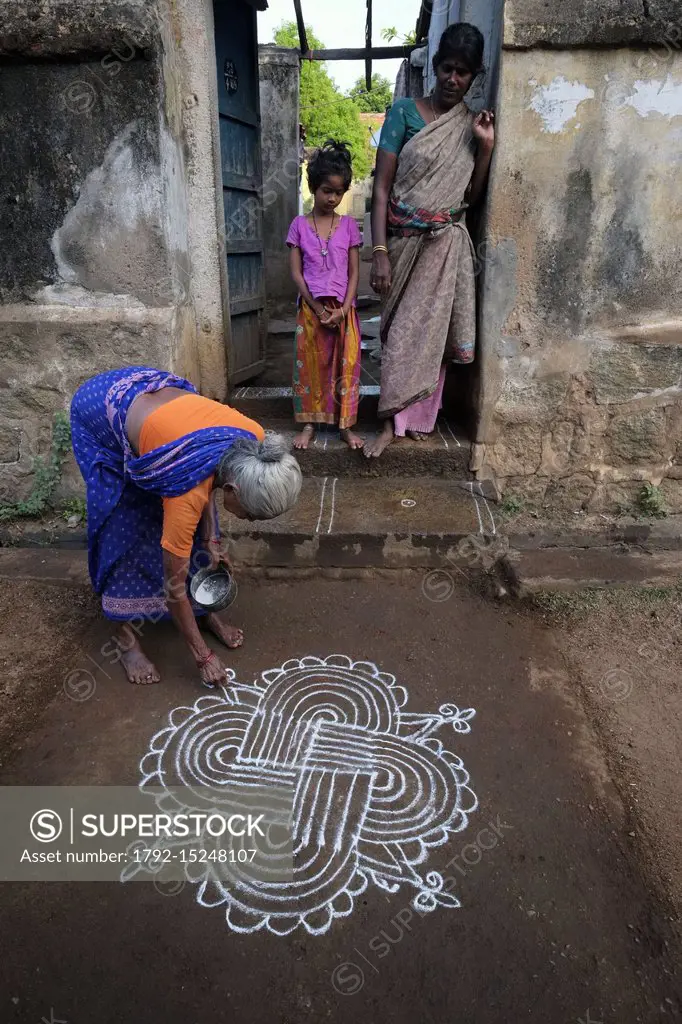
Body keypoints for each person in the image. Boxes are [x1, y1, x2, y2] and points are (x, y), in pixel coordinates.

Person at [70, 367, 302, 687]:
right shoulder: (189, 487)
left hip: (160, 416)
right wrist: (202, 656)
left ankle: (203, 610)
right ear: (232, 489)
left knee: (200, 530)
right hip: (101, 414)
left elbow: (205, 467)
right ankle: (125, 639)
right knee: (122, 519)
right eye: (250, 515)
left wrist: (211, 538)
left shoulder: (256, 442)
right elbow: (173, 585)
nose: (247, 520)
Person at [365, 23, 496, 458]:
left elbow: (470, 199)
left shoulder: (470, 125)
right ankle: (387, 421)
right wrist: (379, 252)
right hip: (401, 244)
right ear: (434, 66)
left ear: (474, 76)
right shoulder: (402, 113)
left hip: (445, 247)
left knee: (432, 338)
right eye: (446, 68)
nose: (453, 80)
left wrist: (486, 148)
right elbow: (381, 190)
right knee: (399, 334)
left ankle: (418, 418)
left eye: (463, 73)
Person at [287, 140, 364, 451]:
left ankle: (346, 426)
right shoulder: (298, 226)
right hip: (310, 309)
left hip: (344, 311)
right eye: (326, 191)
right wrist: (316, 307)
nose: (332, 198)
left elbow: (355, 273)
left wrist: (343, 310)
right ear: (312, 187)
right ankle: (309, 423)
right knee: (310, 367)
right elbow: (296, 272)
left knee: (345, 367)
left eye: (339, 192)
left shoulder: (348, 226)